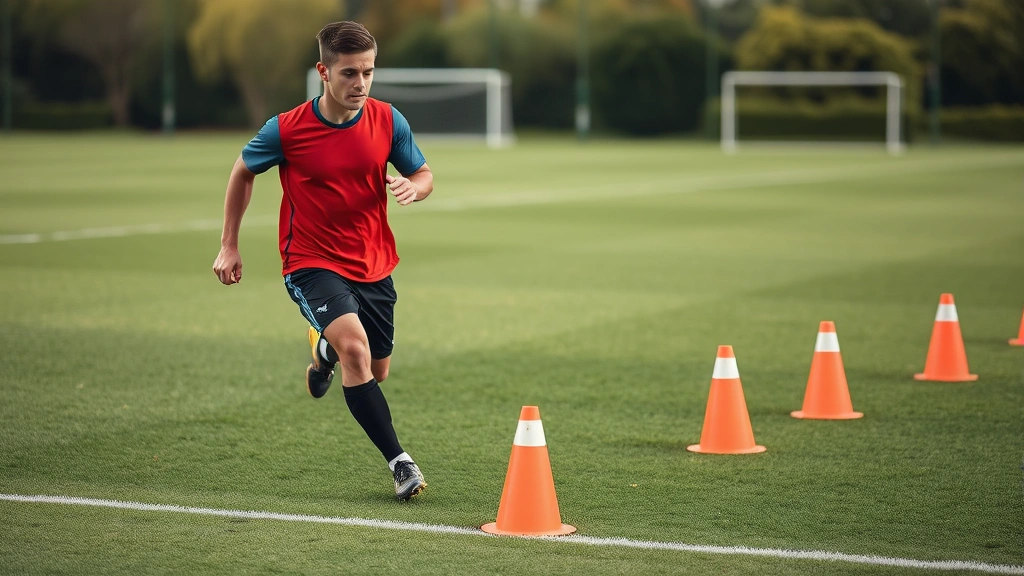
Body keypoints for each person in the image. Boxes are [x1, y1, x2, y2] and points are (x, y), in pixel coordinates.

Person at [212, 21, 433, 501]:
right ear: (323, 71)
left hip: (374, 261)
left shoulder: (388, 120)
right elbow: (242, 171)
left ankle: (323, 353)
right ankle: (400, 463)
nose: (361, 83)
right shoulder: (286, 129)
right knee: (356, 350)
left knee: (376, 370)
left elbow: (423, 173)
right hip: (310, 260)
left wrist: (413, 188)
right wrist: (229, 244)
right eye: (350, 73)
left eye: (368, 72)